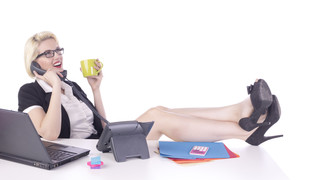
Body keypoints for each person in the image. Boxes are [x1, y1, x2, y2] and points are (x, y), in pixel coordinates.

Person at [19, 31, 282, 146]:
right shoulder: (29, 91)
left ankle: (241, 111)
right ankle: (242, 132)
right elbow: (49, 135)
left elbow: (101, 127)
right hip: (86, 160)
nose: (57, 56)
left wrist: (96, 90)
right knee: (158, 117)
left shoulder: (71, 86)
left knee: (160, 110)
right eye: (48, 53)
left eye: (58, 50)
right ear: (35, 66)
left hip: (100, 145)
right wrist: (53, 87)